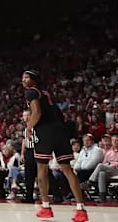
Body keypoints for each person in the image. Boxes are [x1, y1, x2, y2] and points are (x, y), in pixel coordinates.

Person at [23, 70, 88, 222]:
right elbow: (58, 113)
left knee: (42, 169)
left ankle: (46, 207)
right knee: (67, 169)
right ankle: (81, 209)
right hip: (60, 131)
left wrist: (29, 127)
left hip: (45, 132)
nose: (23, 80)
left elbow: (37, 112)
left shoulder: (31, 93)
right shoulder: (46, 94)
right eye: (23, 78)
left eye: (26, 77)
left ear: (34, 80)